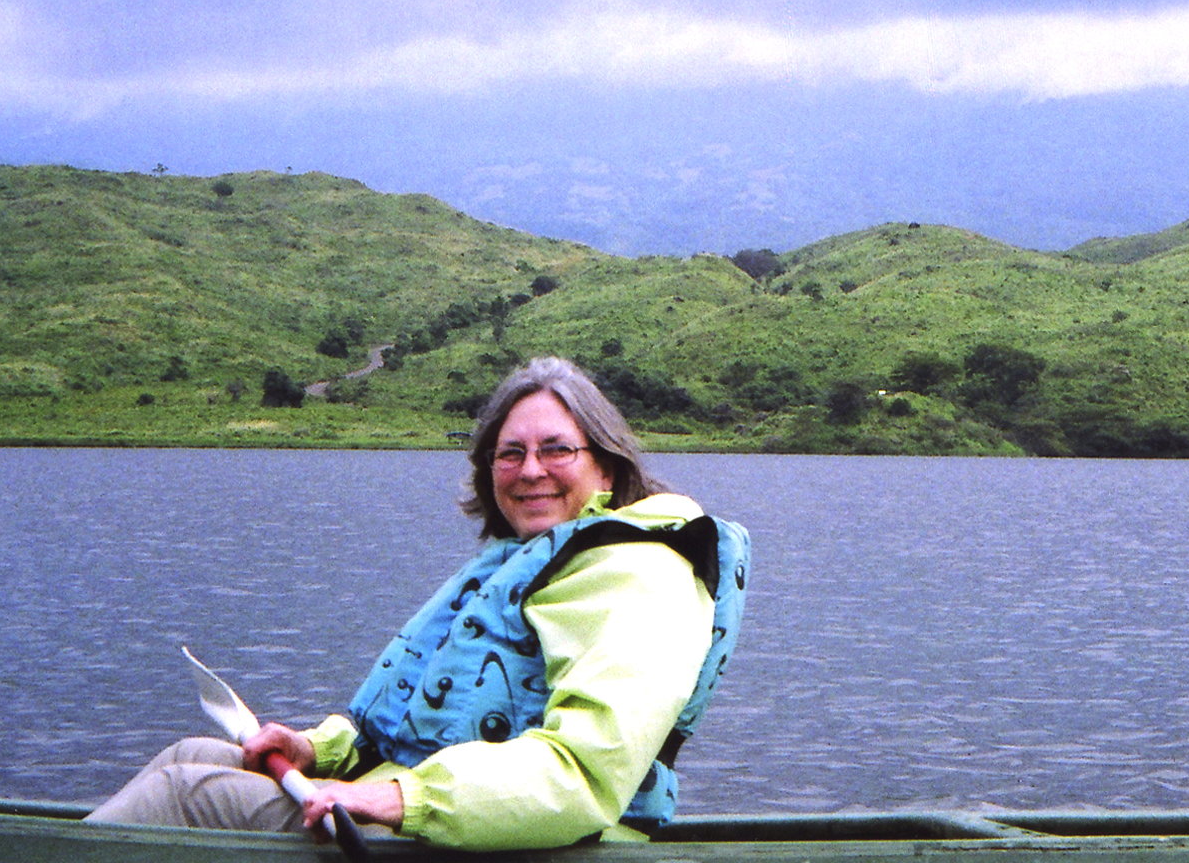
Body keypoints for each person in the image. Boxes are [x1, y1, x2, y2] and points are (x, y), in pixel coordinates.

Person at [88, 357, 747, 851]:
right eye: (508, 453)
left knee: (184, 797)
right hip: (433, 817)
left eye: (557, 450)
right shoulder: (521, 561)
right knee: (191, 757)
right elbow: (422, 717)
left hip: (526, 844)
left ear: (606, 466)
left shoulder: (639, 571)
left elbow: (579, 775)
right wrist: (317, 751)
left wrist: (398, 797)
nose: (529, 470)